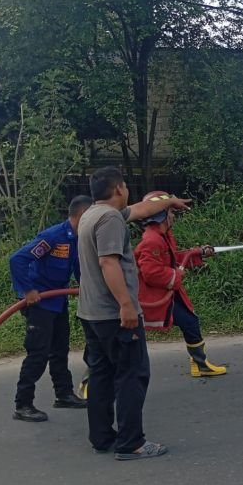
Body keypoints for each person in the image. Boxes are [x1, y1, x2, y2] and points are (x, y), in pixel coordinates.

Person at [76, 166, 189, 460]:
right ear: (118, 189)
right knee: (132, 374)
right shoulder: (111, 219)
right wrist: (126, 305)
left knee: (101, 374)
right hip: (115, 314)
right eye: (125, 186)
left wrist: (170, 201)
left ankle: (102, 437)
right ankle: (131, 443)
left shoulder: (92, 214)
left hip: (92, 314)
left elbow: (140, 209)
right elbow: (108, 264)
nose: (127, 191)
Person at [9, 196, 93, 422]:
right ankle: (23, 404)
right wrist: (27, 290)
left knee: (60, 350)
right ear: (82, 215)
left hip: (58, 302)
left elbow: (78, 268)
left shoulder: (78, 239)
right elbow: (17, 260)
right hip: (40, 304)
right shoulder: (52, 237)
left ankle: (64, 394)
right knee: (38, 354)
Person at [134, 191, 227, 378]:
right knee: (123, 338)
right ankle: (93, 379)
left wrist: (198, 254)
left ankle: (200, 364)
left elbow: (173, 259)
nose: (173, 216)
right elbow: (151, 273)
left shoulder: (163, 236)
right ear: (161, 215)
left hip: (167, 295)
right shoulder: (152, 240)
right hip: (152, 297)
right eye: (170, 212)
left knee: (190, 322)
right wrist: (176, 275)